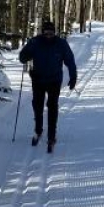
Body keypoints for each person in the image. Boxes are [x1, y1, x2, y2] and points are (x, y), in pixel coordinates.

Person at [19, 21, 77, 152]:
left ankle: (51, 135)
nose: (48, 35)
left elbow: (70, 60)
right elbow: (22, 57)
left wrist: (73, 77)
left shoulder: (61, 44)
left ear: (54, 33)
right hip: (38, 79)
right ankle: (38, 130)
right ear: (42, 32)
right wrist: (25, 56)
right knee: (37, 105)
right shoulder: (35, 42)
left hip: (54, 80)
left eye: (51, 33)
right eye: (46, 33)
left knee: (52, 106)